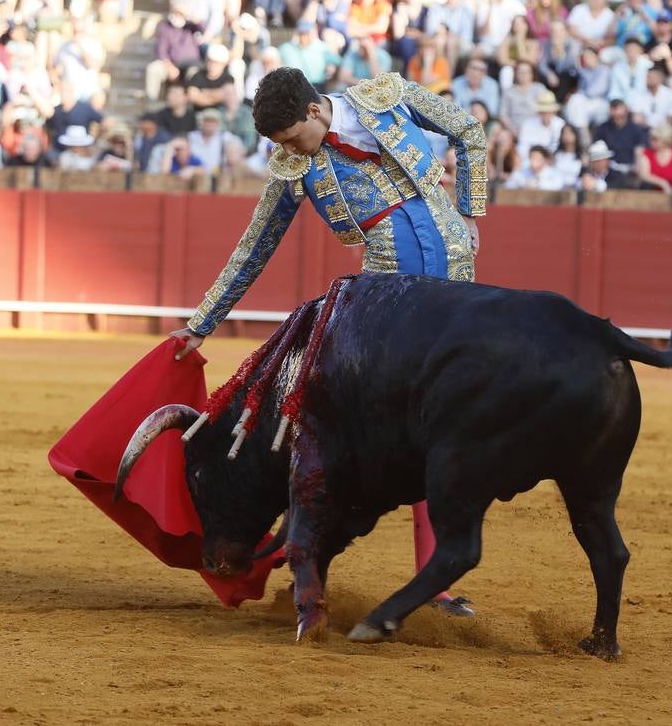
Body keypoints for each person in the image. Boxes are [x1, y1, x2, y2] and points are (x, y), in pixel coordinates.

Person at [170, 68, 485, 618]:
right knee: (351, 416)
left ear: (315, 111)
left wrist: (471, 208)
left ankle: (436, 584)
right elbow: (254, 248)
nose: (288, 151)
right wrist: (202, 322)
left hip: (455, 277)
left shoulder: (385, 97)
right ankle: (305, 554)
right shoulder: (292, 169)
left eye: (292, 138)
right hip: (384, 295)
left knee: (445, 428)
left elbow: (470, 133)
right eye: (280, 145)